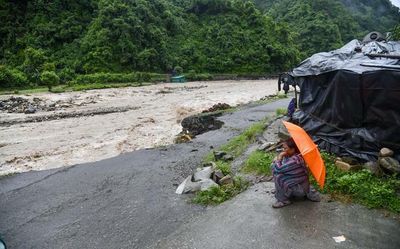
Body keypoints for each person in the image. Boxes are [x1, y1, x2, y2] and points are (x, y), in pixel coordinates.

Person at [271, 137, 320, 208]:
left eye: (285, 148)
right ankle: (281, 190)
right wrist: (279, 160)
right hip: (296, 183)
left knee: (279, 176)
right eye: (283, 148)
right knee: (273, 166)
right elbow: (283, 168)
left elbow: (279, 169)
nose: (283, 150)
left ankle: (283, 200)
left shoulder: (295, 160)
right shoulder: (292, 155)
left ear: (293, 149)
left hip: (300, 189)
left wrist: (279, 158)